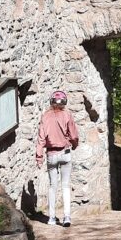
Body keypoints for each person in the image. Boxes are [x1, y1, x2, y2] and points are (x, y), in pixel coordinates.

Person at [36, 90, 79, 227]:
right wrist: (74, 144)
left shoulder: (45, 116)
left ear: (51, 102)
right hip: (65, 153)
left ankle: (52, 218)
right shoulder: (67, 115)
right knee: (65, 185)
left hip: (51, 155)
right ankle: (66, 217)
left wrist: (39, 157)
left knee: (52, 186)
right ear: (64, 102)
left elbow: (41, 139)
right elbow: (73, 135)